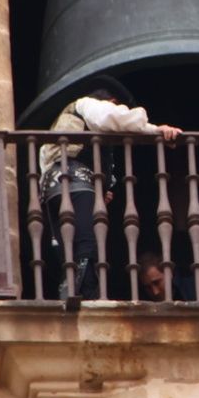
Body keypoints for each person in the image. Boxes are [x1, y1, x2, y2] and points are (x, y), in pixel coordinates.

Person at [39, 75, 180, 299]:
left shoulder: (66, 122)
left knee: (69, 246)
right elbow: (112, 119)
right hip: (75, 183)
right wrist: (149, 125)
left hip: (56, 188)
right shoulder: (89, 105)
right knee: (87, 243)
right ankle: (86, 294)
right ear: (112, 101)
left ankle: (71, 292)